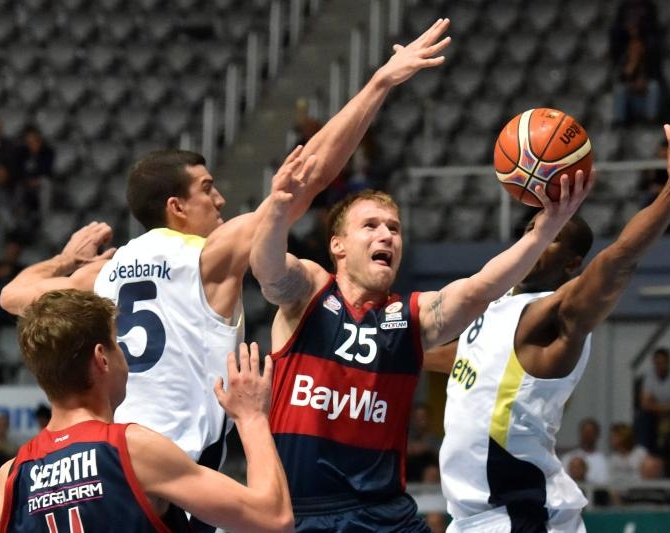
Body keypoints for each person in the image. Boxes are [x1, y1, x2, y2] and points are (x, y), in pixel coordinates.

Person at [0, 12, 448, 480]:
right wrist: (378, 83)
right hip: (181, 468)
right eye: (207, 188)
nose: (220, 199)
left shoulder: (99, 276)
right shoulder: (207, 255)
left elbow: (12, 295)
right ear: (176, 206)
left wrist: (64, 260)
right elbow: (306, 179)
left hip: (119, 461)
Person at [250, 74, 590, 533]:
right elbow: (267, 267)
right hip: (304, 513)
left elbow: (480, 287)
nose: (386, 234)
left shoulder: (409, 316)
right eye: (370, 225)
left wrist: (547, 227)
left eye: (393, 227)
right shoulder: (311, 290)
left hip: (385, 514)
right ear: (338, 246)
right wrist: (276, 206)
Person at [436, 115, 670, 532]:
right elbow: (470, 357)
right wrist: (404, 354)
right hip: (474, 517)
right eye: (533, 227)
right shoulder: (500, 303)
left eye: (553, 236)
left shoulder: (555, 314)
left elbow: (618, 262)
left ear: (573, 263)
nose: (539, 234)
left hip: (522, 518)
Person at [0, 289, 292, 532]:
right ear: (103, 358)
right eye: (116, 343)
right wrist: (252, 418)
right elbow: (273, 519)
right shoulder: (131, 449)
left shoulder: (11, 477)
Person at [636, 346, 670, 452]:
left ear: (668, 363)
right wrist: (664, 408)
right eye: (656, 363)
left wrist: (659, 407)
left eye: (662, 363)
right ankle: (644, 451)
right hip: (659, 411)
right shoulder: (649, 376)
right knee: (642, 417)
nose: (659, 366)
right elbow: (644, 403)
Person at [560, 418, 610, 485]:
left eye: (591, 432)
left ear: (597, 434)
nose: (587, 435)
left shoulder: (604, 461)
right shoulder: (568, 457)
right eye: (585, 432)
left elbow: (604, 484)